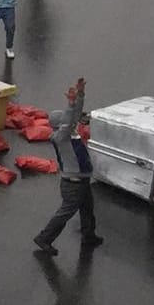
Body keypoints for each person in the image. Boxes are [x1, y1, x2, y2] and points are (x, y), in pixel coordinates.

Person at [35, 78, 104, 255]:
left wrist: (80, 95)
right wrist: (70, 103)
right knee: (65, 213)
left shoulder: (69, 133)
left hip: (81, 180)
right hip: (72, 184)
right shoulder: (60, 137)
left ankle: (89, 235)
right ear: (60, 124)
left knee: (87, 209)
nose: (74, 121)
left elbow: (73, 116)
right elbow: (68, 122)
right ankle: (44, 238)